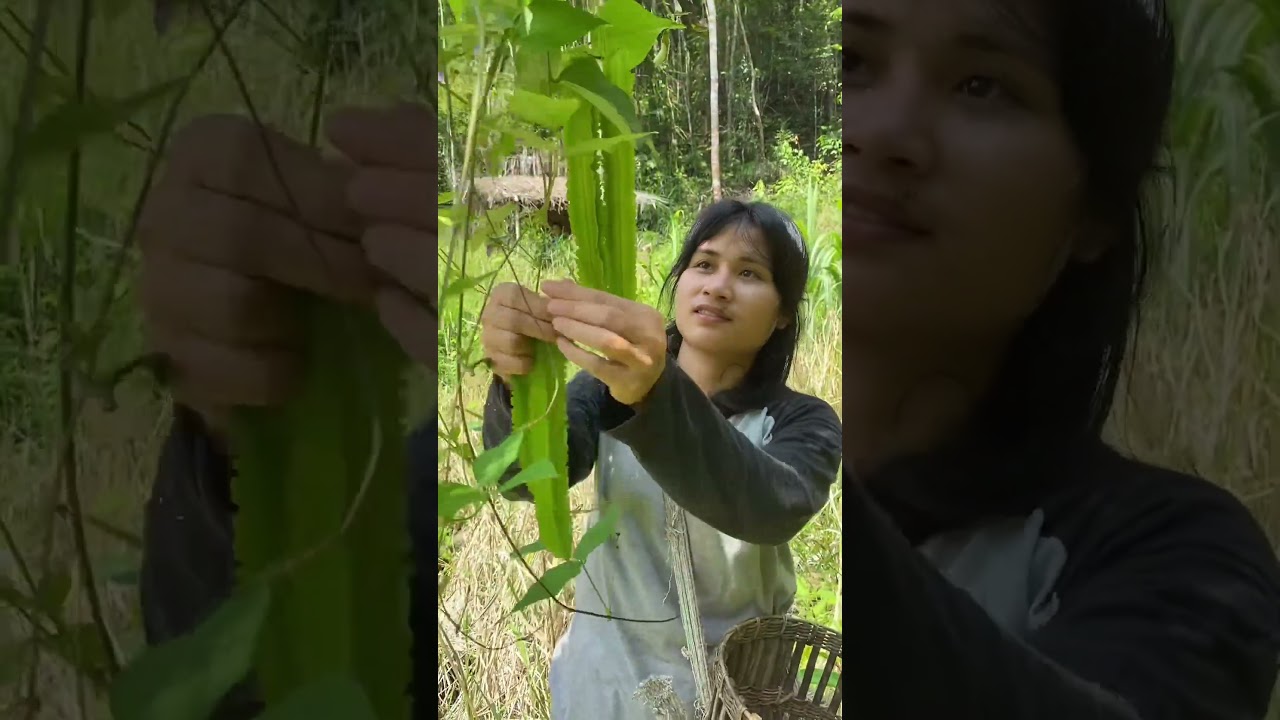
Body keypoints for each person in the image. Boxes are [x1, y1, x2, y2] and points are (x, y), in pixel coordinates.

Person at [134, 0, 1280, 719]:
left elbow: (769, 505)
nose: (881, 128)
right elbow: (260, 678)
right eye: (845, 61)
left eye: (984, 82)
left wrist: (650, 398)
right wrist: (262, 421)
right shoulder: (601, 405)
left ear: (1090, 209)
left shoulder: (1169, 555)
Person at [476, 199, 842, 719]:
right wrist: (517, 383)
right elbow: (528, 480)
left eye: (749, 272)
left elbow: (770, 505)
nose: (718, 285)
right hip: (605, 693)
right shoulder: (604, 390)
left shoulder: (804, 422)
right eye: (704, 264)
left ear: (783, 313)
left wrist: (656, 393)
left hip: (736, 698)